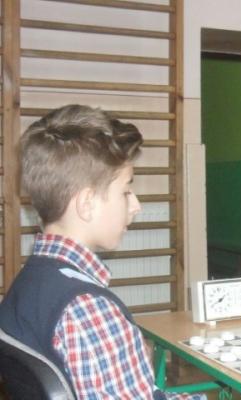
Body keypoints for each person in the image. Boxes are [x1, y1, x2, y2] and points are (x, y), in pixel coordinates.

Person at [0, 105, 205, 399]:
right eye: (125, 191)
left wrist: (126, 353)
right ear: (87, 204)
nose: (136, 206)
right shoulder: (89, 309)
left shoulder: (31, 280)